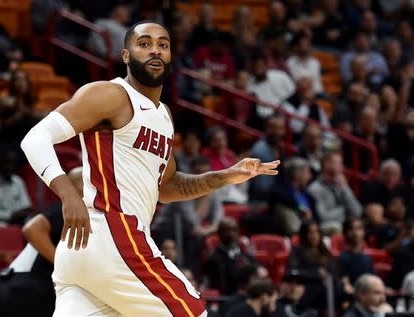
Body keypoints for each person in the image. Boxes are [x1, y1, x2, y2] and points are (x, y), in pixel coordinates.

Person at [21, 21, 280, 317]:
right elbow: (36, 138)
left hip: (86, 254)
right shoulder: (111, 94)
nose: (155, 50)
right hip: (114, 232)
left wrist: (226, 176)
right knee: (194, 313)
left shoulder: (163, 115)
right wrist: (68, 195)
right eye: (144, 44)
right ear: (126, 55)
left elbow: (167, 188)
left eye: (163, 44)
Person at [0, 167, 82, 317]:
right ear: (76, 186)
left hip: (15, 288)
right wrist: (62, 264)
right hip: (24, 291)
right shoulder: (70, 207)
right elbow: (31, 229)